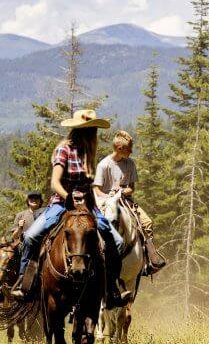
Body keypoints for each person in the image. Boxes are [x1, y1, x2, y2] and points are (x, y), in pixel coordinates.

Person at [11, 109, 132, 308]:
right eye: (90, 129)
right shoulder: (64, 149)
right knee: (32, 236)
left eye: (93, 129)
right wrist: (68, 197)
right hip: (61, 203)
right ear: (79, 130)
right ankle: (26, 283)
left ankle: (111, 288)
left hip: (88, 205)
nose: (93, 133)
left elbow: (89, 186)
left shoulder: (88, 153)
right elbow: (55, 183)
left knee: (117, 242)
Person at [93, 130, 165, 276]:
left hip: (125, 201)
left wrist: (124, 192)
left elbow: (132, 187)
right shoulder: (104, 165)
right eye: (129, 149)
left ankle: (148, 260)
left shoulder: (130, 163)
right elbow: (96, 190)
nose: (131, 152)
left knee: (146, 222)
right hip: (105, 202)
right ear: (120, 149)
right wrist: (109, 198)